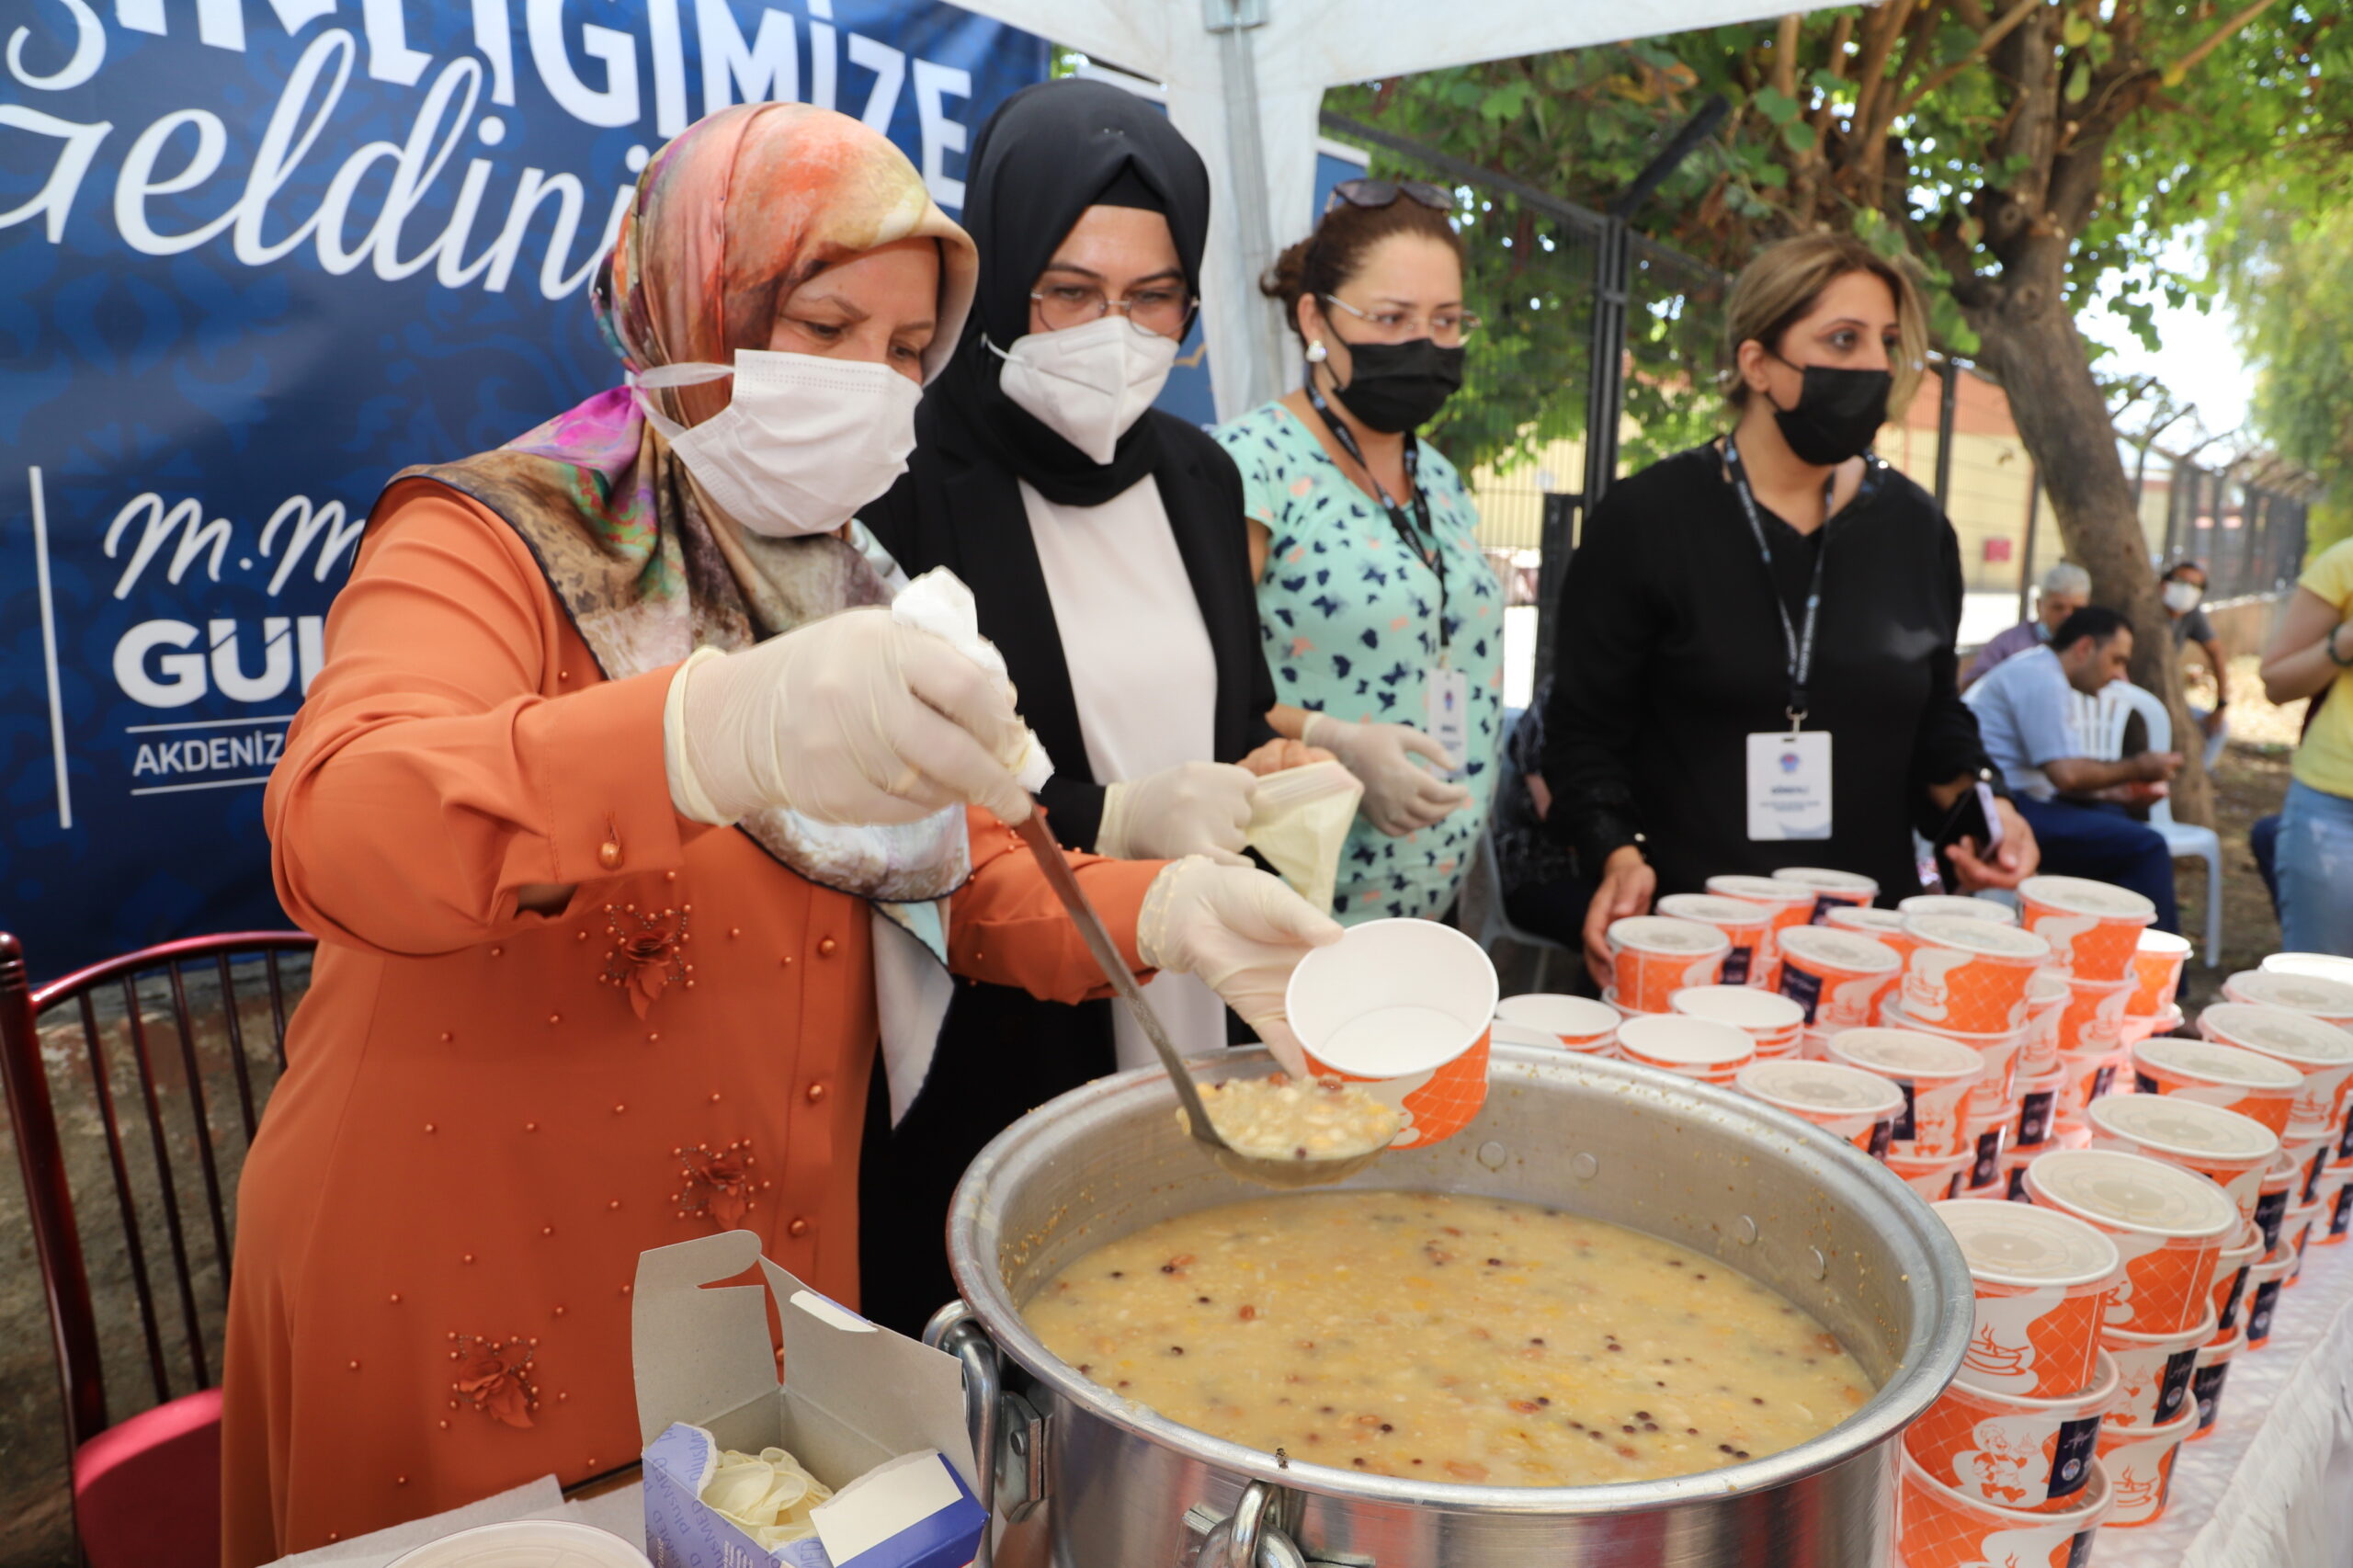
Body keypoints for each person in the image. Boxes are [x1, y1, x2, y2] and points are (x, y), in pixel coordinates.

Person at [219, 105, 1343, 1562]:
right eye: (819, 324)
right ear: (694, 300)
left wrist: (1168, 911)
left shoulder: (852, 581)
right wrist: (704, 732)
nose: (866, 387)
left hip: (739, 1269)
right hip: (473, 1260)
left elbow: (958, 865)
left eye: (899, 352)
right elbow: (340, 822)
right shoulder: (493, 536)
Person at [855, 80, 1310, 1335]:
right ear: (995, 282)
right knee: (1028, 1338)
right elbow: (882, 812)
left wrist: (1294, 784)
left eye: (1153, 295)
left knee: (1193, 1313)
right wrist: (1116, 810)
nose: (1114, 329)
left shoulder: (1200, 477)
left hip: (1193, 982)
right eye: (1069, 289)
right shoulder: (900, 478)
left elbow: (1239, 717)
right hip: (997, 1015)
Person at [1542, 233, 2036, 985]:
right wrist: (1616, 852)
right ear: (1758, 364)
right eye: (1843, 339)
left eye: (1888, 342)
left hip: (1865, 950)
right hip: (1690, 939)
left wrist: (1985, 811)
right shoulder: (1649, 520)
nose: (1874, 364)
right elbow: (1582, 732)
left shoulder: (1916, 528)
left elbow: (1934, 714)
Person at [1214, 180, 1506, 924]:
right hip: (1291, 909)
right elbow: (1207, 689)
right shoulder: (1252, 465)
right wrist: (1338, 745)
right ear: (1316, 317)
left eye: (1446, 321)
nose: (1425, 344)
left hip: (1432, 901)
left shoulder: (1440, 478)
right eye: (1392, 318)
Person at [1970, 606, 2182, 930]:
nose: (2119, 675)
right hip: (1997, 811)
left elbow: (2060, 777)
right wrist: (2139, 766)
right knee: (2146, 847)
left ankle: (2087, 941)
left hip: (2018, 798)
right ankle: (2149, 968)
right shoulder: (2041, 679)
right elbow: (2067, 775)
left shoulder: (2045, 672)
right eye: (2117, 659)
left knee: (2116, 822)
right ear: (2084, 648)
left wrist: (2118, 794)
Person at [2259, 536, 2353, 954]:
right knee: (2324, 991)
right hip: (2334, 809)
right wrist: (2343, 644)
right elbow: (2277, 682)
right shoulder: (2344, 563)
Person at [1488, 676, 1591, 959]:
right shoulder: (1560, 696)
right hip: (1536, 867)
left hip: (1597, 869)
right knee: (1622, 930)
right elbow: (1555, 816)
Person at [1961, 562, 2091, 688]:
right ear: (2039, 605)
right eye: (2058, 607)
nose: (2067, 616)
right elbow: (1972, 688)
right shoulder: (2009, 644)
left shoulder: (2094, 646)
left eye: (2076, 609)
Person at [2161, 559, 2232, 768]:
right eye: (2181, 582)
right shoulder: (2147, 611)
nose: (2186, 590)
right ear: (2163, 583)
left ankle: (2199, 776)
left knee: (2218, 730)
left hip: (2171, 697)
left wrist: (2220, 705)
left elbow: (2217, 652)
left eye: (2195, 586)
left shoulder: (2191, 615)